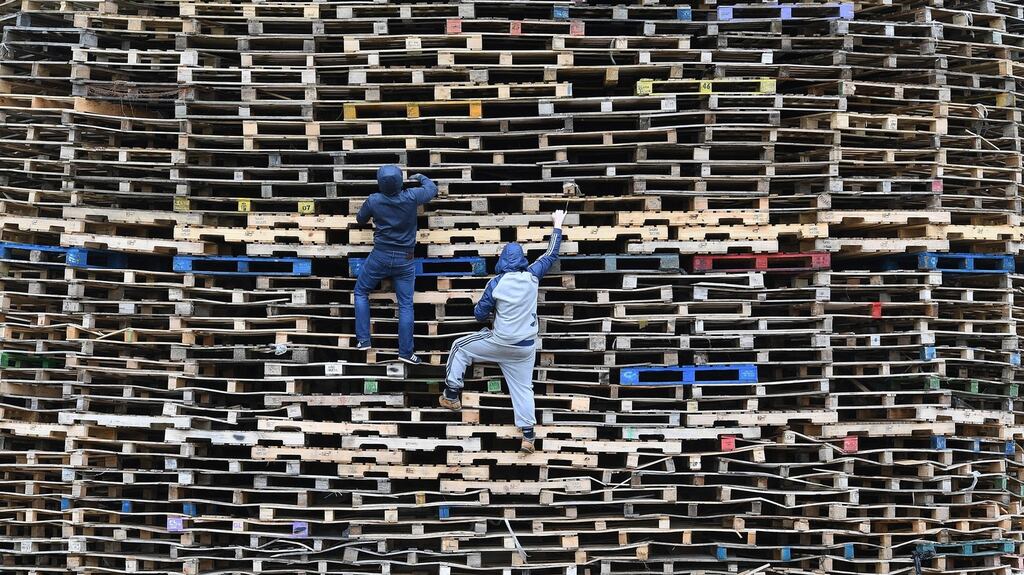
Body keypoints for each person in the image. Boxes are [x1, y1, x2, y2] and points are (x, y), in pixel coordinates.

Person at [439, 210, 566, 453]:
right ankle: (528, 436)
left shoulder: (496, 283)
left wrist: (490, 312)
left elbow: (479, 315)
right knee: (523, 388)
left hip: (500, 342)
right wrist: (557, 224)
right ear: (522, 260)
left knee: (459, 346)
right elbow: (551, 254)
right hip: (525, 347)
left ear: (501, 260)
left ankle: (451, 394)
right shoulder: (532, 276)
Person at [354, 165, 437, 365]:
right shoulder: (411, 197)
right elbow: (432, 189)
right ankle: (406, 353)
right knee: (406, 304)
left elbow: (359, 219)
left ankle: (364, 340)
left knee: (361, 292)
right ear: (400, 182)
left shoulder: (374, 200)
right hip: (405, 258)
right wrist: (420, 175)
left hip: (380, 256)